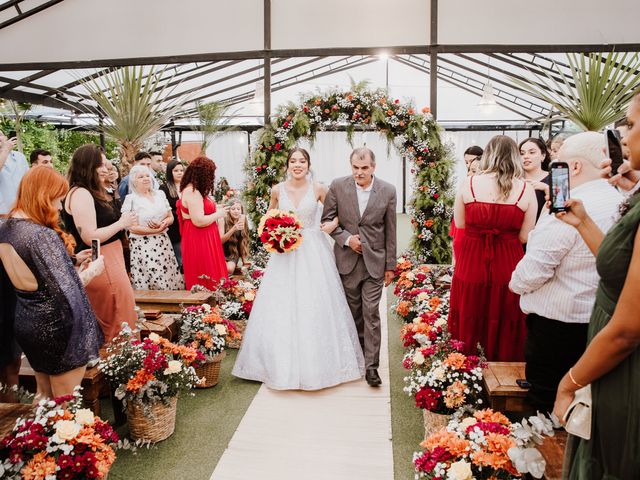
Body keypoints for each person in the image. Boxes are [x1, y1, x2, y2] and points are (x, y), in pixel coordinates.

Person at [553, 92, 640, 480]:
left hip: (624, 363)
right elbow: (619, 265)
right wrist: (583, 222)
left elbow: (627, 330)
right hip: (608, 349)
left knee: (611, 458)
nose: (624, 137)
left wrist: (570, 381)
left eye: (633, 125)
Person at [233, 147, 365, 390]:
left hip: (313, 250)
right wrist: (274, 233)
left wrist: (330, 224)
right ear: (287, 165)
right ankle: (276, 364)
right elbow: (268, 218)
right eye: (293, 161)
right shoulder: (277, 189)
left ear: (308, 164)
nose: (297, 165)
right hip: (284, 254)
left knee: (314, 302)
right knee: (281, 304)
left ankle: (320, 365)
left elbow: (339, 215)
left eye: (302, 161)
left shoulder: (319, 188)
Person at [510, 132, 623, 413]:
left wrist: (515, 281)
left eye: (557, 164)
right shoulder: (619, 201)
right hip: (600, 321)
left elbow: (531, 273)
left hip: (557, 328)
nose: (552, 172)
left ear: (574, 168)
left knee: (546, 405)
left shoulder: (568, 211)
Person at [0, 166, 104, 399]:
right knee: (64, 403)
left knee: (44, 397)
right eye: (56, 200)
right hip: (56, 327)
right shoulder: (40, 235)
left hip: (27, 323)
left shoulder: (5, 228)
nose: (58, 207)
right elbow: (66, 290)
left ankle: (37, 436)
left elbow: (34, 270)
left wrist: (72, 260)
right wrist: (92, 271)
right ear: (42, 196)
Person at [448, 135, 537, 361]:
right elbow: (526, 236)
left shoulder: (469, 184)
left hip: (472, 259)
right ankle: (503, 365)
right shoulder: (525, 189)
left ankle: (465, 366)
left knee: (470, 310)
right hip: (508, 261)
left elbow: (460, 223)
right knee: (506, 313)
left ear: (487, 155)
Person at [322, 147, 397, 387]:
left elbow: (391, 230)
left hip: (375, 263)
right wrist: (347, 239)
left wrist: (390, 266)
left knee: (371, 313)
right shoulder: (337, 186)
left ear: (373, 167)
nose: (359, 173)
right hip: (347, 262)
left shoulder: (388, 190)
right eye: (355, 168)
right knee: (352, 313)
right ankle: (355, 358)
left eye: (364, 168)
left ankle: (372, 368)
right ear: (350, 166)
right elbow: (327, 220)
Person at [61, 144, 138, 344]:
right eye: (100, 165)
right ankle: (122, 364)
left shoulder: (95, 191)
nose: (106, 168)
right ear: (88, 166)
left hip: (113, 256)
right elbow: (89, 236)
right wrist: (121, 223)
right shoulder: (80, 193)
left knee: (123, 313)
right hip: (100, 257)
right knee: (118, 317)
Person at [121, 165, 183, 290]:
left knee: (168, 276)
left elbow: (170, 217)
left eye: (147, 175)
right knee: (153, 278)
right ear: (133, 181)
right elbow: (131, 227)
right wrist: (155, 230)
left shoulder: (160, 194)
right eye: (140, 177)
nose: (145, 179)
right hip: (143, 245)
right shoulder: (131, 199)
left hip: (163, 242)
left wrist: (164, 224)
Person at [177, 156, 228, 290]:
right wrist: (219, 214)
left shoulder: (196, 190)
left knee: (211, 271)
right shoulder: (192, 191)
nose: (212, 177)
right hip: (199, 238)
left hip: (206, 236)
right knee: (205, 272)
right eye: (210, 174)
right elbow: (198, 221)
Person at [159, 160, 184, 267]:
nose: (179, 173)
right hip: (175, 229)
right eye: (176, 170)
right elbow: (163, 210)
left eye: (181, 170)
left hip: (188, 226)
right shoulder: (164, 188)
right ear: (170, 172)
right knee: (180, 259)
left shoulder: (187, 186)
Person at [519, 137, 551, 220]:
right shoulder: (515, 180)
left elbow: (562, 206)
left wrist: (546, 188)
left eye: (532, 152)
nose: (526, 156)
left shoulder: (554, 179)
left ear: (543, 156)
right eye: (522, 153)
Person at [218, 198, 251, 275]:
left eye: (238, 209)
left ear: (241, 210)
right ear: (228, 210)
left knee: (229, 270)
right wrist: (234, 228)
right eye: (233, 209)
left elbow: (243, 241)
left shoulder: (243, 219)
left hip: (232, 253)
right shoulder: (222, 219)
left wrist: (244, 260)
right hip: (220, 251)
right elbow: (220, 241)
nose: (236, 211)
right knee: (220, 270)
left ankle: (232, 266)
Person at [0, 130, 29, 215]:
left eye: (0, 135)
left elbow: (27, 182)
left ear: (6, 138)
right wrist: (5, 150)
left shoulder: (20, 157)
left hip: (20, 212)